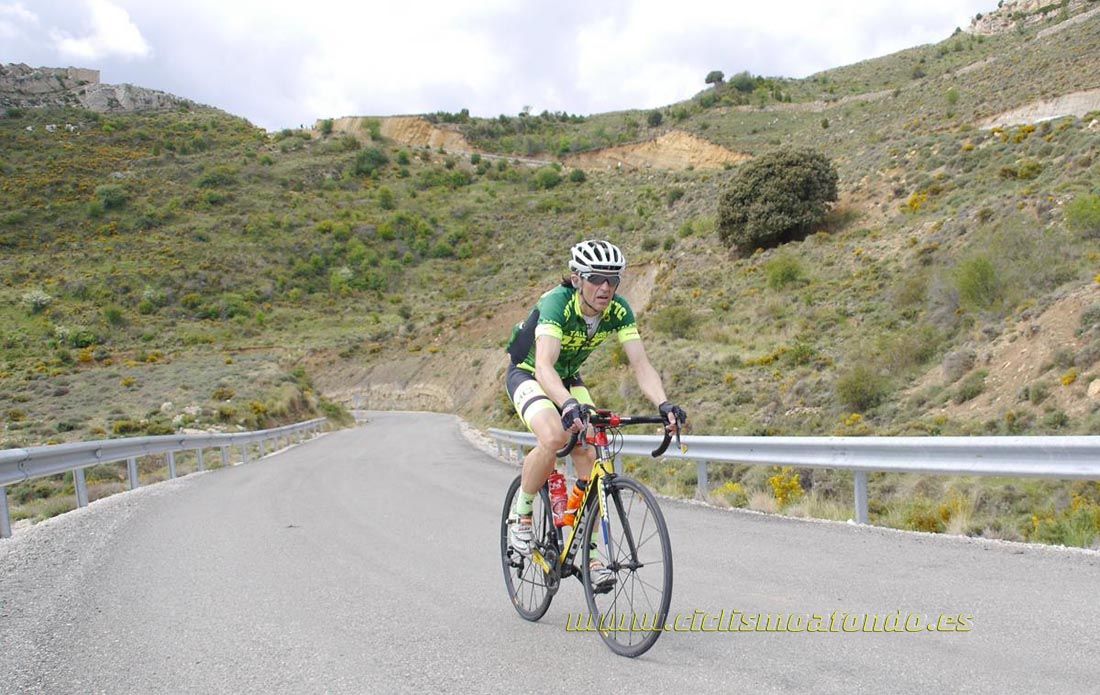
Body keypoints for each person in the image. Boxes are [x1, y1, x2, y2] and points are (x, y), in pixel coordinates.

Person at [504, 239, 687, 591]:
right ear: (577, 278)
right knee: (554, 436)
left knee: (591, 451)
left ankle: (586, 552)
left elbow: (641, 364)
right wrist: (567, 404)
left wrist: (663, 404)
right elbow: (544, 366)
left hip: (568, 377)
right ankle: (521, 514)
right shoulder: (556, 304)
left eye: (612, 280)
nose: (605, 288)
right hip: (529, 373)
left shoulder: (618, 310)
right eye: (596, 279)